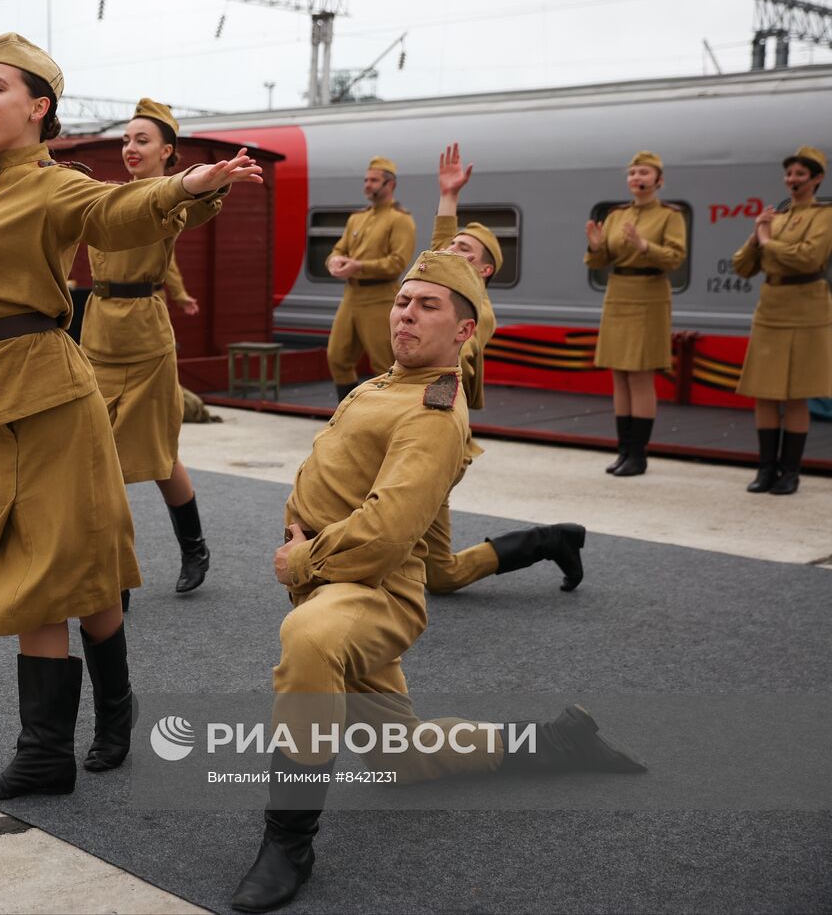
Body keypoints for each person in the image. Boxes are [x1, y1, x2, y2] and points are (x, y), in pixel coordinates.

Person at [0, 32, 261, 801]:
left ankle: (51, 750)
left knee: (48, 571)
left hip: (48, 395)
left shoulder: (57, 186)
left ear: (38, 109)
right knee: (67, 573)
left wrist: (191, 184)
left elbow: (120, 211)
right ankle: (105, 716)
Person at [230, 251, 645, 914]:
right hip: (336, 578)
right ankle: (556, 740)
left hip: (369, 591)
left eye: (428, 306)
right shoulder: (383, 384)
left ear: (464, 333)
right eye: (402, 301)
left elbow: (390, 529)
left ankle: (288, 844)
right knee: (406, 761)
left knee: (310, 639)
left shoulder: (431, 409)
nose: (406, 313)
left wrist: (303, 562)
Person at [423, 144, 585, 595]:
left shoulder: (479, 312)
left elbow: (449, 368)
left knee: (435, 570)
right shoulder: (440, 293)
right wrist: (448, 196)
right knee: (440, 575)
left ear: (485, 268)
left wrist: (420, 420)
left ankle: (549, 540)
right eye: (453, 245)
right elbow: (440, 248)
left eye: (465, 250)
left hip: (433, 435)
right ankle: (556, 540)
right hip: (412, 428)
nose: (453, 250)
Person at [82, 98, 220, 599]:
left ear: (168, 153)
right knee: (100, 456)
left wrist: (214, 182)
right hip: (98, 334)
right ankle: (118, 567)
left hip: (145, 339)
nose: (130, 148)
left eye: (142, 140)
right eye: (125, 140)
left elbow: (197, 206)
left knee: (157, 457)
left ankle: (191, 549)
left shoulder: (170, 198)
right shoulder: (108, 197)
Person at [732, 145, 832, 496]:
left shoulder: (825, 216)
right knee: (764, 393)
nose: (792, 180)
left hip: (807, 310)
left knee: (795, 396)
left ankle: (790, 473)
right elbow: (743, 267)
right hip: (771, 308)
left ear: (817, 179)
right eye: (789, 174)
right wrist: (756, 233)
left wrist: (767, 240)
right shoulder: (776, 217)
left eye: (800, 175)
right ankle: (765, 470)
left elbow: (808, 258)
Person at [584, 151, 687, 477]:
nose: (636, 178)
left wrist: (645, 246)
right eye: (632, 173)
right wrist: (597, 247)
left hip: (650, 296)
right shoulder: (616, 214)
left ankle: (639, 455)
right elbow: (600, 263)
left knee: (641, 376)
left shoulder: (671, 216)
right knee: (619, 376)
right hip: (618, 295)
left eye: (643, 172)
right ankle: (623, 451)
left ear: (658, 180)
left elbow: (675, 258)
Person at [323, 155, 416, 401]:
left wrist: (358, 266)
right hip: (352, 296)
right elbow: (338, 249)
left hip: (380, 297)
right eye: (366, 179)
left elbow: (397, 263)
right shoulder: (357, 218)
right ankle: (346, 413)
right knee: (337, 357)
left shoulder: (400, 220)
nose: (367, 184)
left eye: (374, 180)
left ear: (390, 184)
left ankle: (387, 418)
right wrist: (333, 260)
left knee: (384, 364)